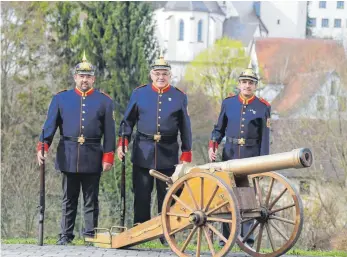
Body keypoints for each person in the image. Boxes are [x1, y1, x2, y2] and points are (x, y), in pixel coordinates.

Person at [37, 52, 116, 245]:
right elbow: (50, 126)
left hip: (93, 155)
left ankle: (89, 235)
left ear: (93, 79)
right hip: (68, 153)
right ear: (75, 78)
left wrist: (108, 156)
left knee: (91, 200)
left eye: (88, 76)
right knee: (68, 199)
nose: (84, 80)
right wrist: (43, 145)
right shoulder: (60, 99)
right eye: (81, 76)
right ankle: (65, 235)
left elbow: (110, 132)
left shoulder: (104, 101)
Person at [117, 53, 192, 245]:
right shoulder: (139, 94)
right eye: (157, 73)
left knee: (167, 195)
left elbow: (185, 126)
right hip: (143, 151)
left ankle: (167, 233)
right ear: (151, 74)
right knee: (141, 194)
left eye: (164, 74)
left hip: (168, 153)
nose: (161, 77)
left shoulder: (179, 96)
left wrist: (186, 151)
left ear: (170, 75)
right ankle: (140, 230)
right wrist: (123, 141)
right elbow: (128, 121)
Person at [208, 68, 271, 247]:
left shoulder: (263, 106)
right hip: (229, 154)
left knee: (248, 197)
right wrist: (213, 144)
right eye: (244, 82)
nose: (247, 85)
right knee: (226, 196)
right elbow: (219, 128)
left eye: (251, 83)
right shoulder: (228, 103)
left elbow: (265, 138)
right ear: (239, 84)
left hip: (250, 157)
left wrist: (263, 163)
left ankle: (247, 238)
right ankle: (226, 238)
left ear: (255, 86)